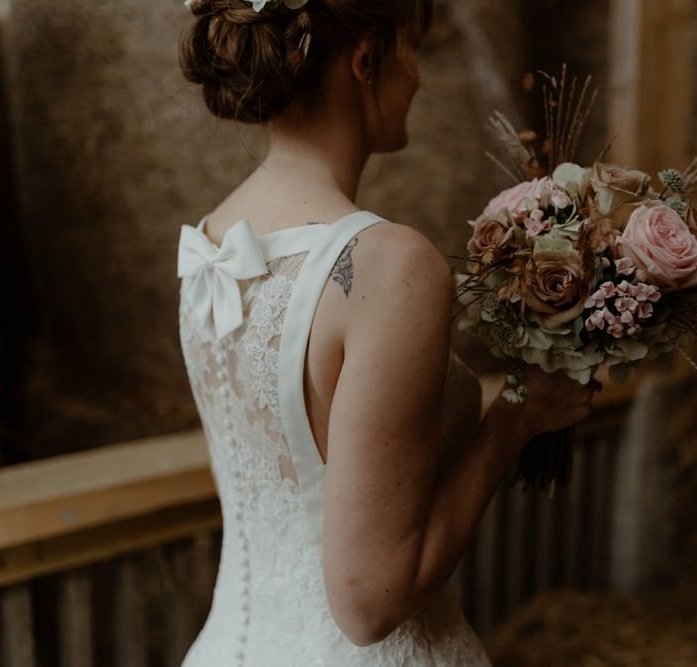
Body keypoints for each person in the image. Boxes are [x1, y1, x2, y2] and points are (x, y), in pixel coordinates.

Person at [175, 0, 602, 663]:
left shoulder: (212, 241)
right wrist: (517, 415)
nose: (418, 76)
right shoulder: (390, 266)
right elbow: (368, 602)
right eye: (412, 49)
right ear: (365, 58)